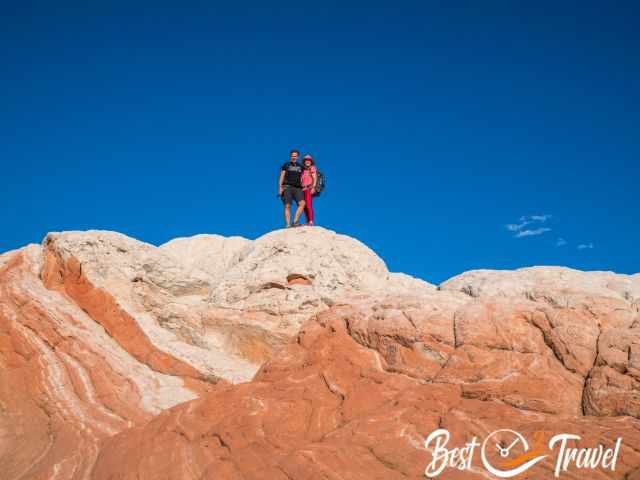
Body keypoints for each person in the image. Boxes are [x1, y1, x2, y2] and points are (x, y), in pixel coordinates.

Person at [278, 149, 305, 227]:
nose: (294, 157)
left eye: (295, 156)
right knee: (287, 205)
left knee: (302, 204)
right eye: (292, 156)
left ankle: (295, 221)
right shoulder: (286, 165)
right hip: (287, 187)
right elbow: (281, 176)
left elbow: (305, 176)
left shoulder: (300, 166)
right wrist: (280, 187)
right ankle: (288, 224)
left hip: (298, 188)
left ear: (298, 157)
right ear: (290, 156)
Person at [301, 154, 318, 225]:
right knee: (304, 206)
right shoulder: (303, 170)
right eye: (306, 160)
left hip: (309, 188)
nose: (307, 162)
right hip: (302, 189)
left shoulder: (312, 168)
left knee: (308, 205)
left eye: (309, 160)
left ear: (311, 162)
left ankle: (311, 221)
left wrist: (313, 187)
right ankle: (307, 221)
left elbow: (315, 178)